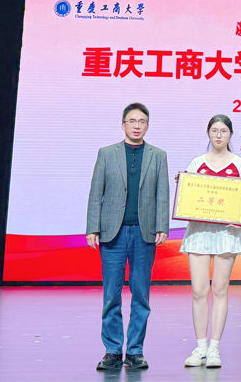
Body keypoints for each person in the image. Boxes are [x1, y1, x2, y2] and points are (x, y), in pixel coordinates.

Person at [85, 103, 170, 371]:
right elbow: (96, 192)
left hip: (144, 233)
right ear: (123, 125)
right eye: (132, 121)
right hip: (113, 232)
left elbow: (162, 194)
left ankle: (135, 351)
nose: (136, 125)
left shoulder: (158, 156)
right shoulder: (107, 153)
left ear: (147, 126)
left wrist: (162, 226)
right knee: (111, 294)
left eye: (141, 121)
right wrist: (92, 227)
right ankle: (112, 350)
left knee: (141, 294)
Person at [181, 115, 241, 369]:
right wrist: (183, 188)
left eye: (223, 131)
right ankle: (200, 347)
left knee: (220, 289)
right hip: (199, 232)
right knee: (198, 290)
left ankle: (214, 348)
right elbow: (188, 197)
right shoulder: (197, 163)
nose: (219, 135)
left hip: (227, 234)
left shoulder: (239, 164)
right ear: (208, 133)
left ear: (230, 134)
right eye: (214, 130)